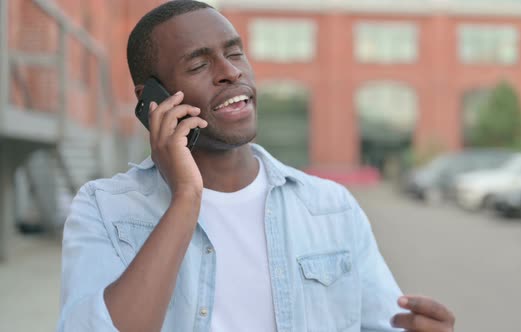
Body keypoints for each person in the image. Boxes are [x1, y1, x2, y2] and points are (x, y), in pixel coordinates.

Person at [57, 1, 455, 331]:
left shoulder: (331, 206)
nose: (230, 72)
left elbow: (384, 323)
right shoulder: (103, 209)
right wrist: (186, 198)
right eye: (198, 66)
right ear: (152, 100)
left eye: (234, 53)